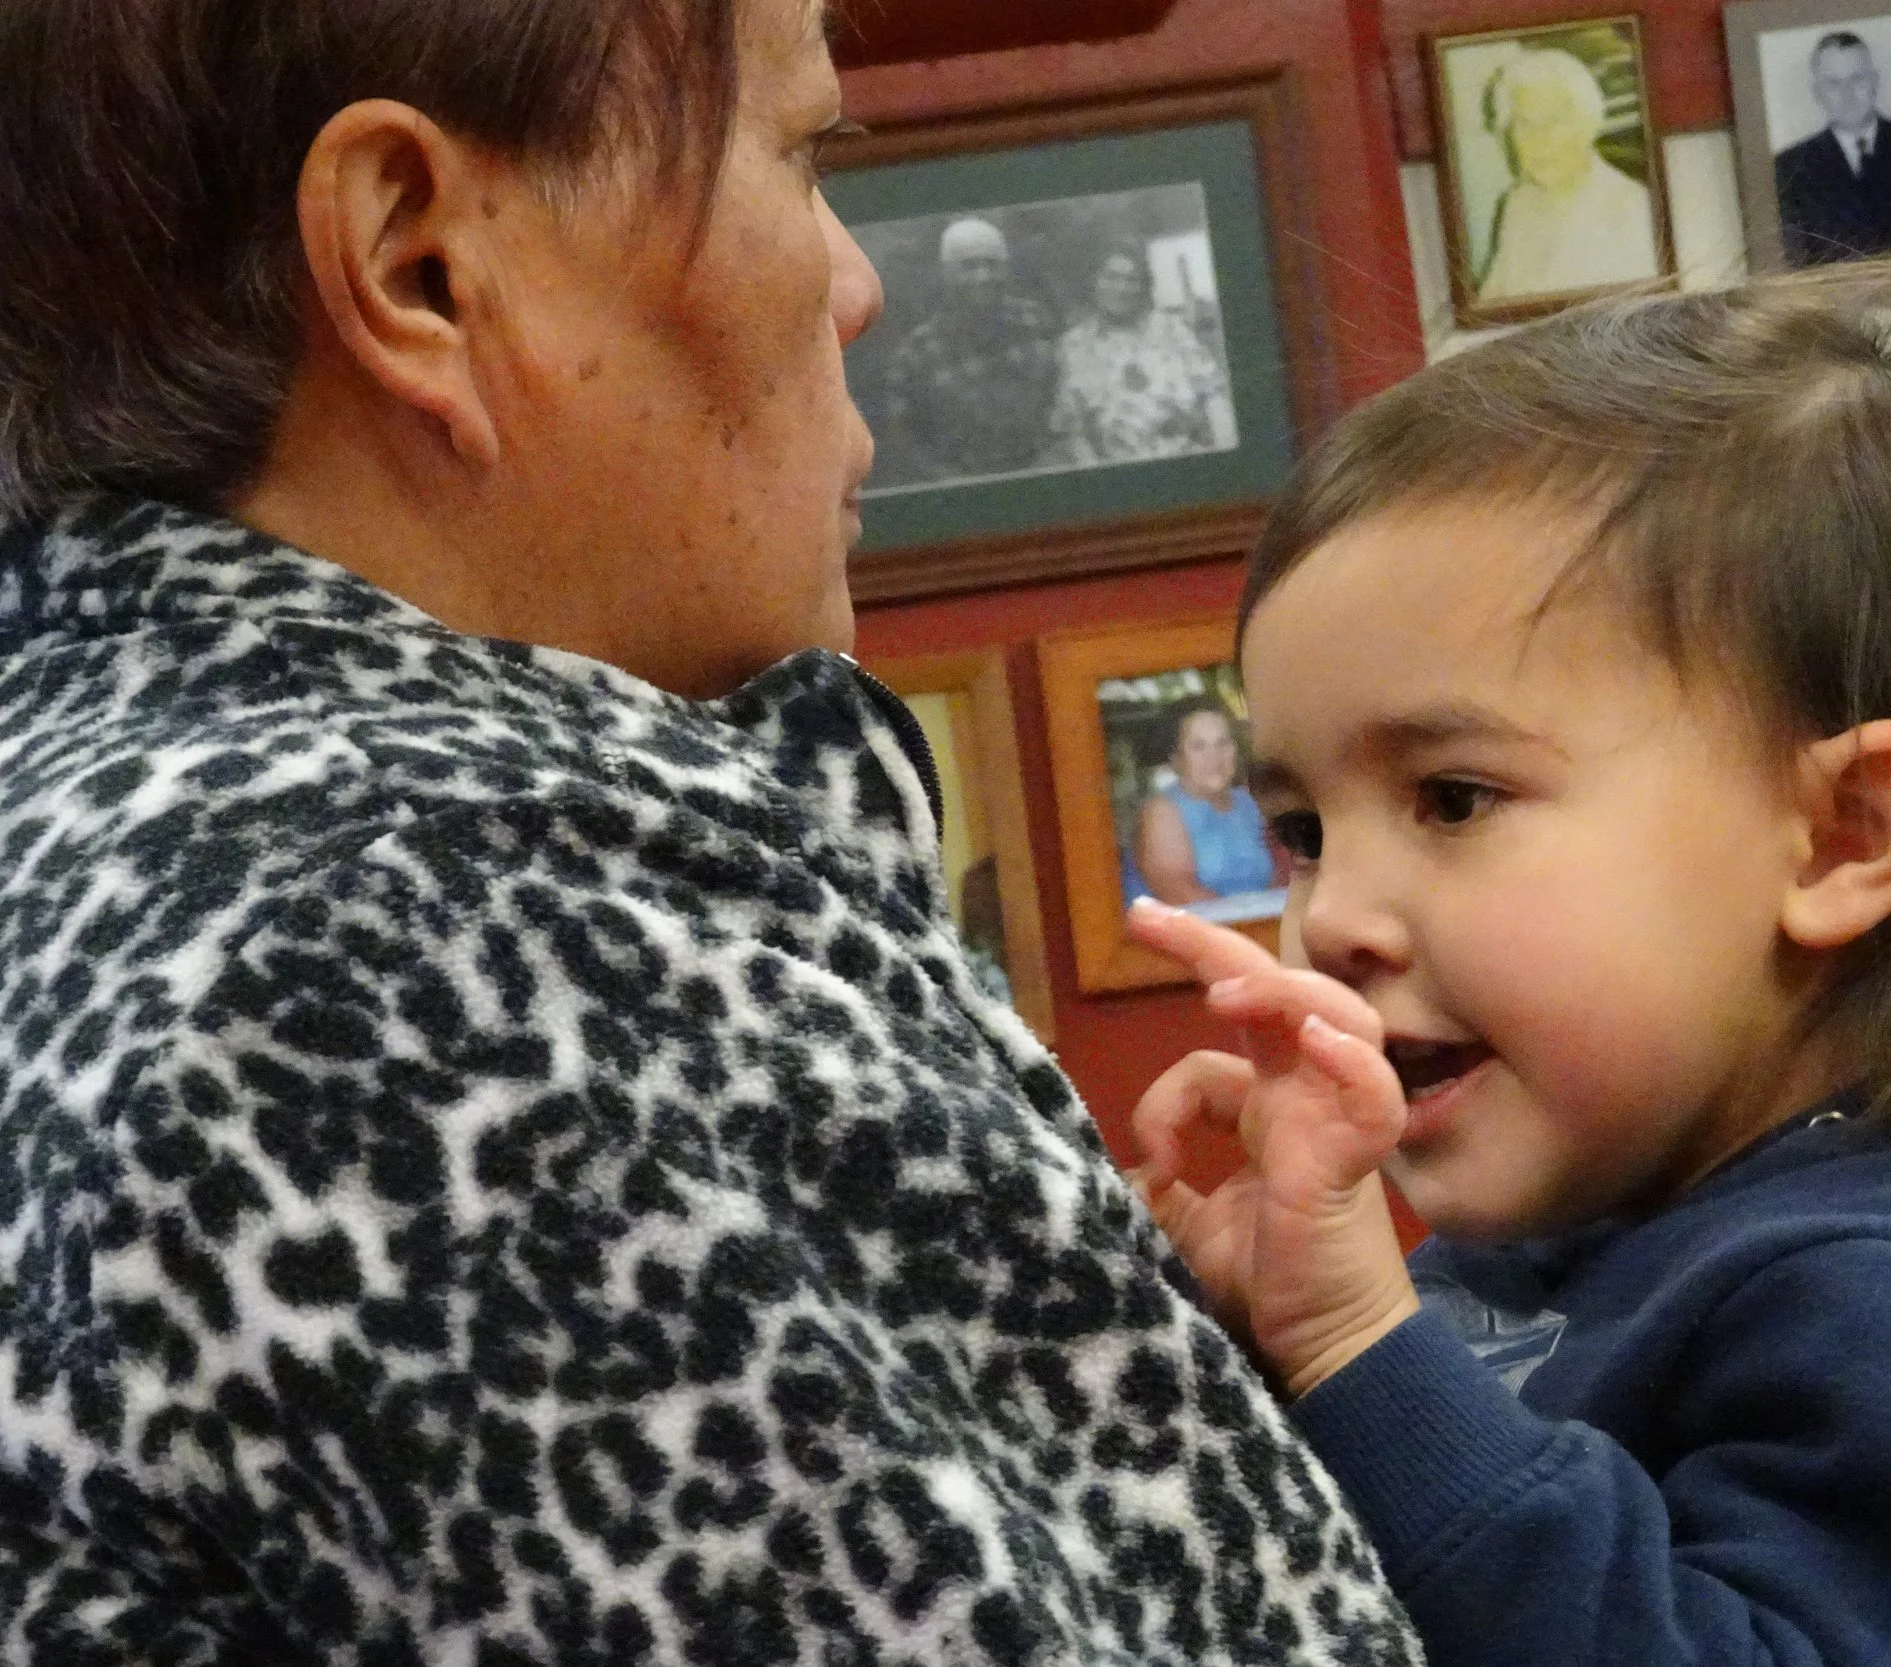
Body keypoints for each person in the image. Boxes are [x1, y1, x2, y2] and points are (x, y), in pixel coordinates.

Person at [0, 2, 1427, 1662]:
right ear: (417, 264)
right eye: (804, 153)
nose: (857, 279)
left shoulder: (117, 830)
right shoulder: (447, 951)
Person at [1121, 272, 1891, 1667]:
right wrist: (1263, 1359)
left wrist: (1354, 1345)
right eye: (1306, 830)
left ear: (1840, 837)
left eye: (1452, 796)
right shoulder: (1569, 1241)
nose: (1332, 918)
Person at [878, 215, 1065, 485]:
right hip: (961, 491)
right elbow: (905, 440)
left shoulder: (1037, 321)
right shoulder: (918, 351)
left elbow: (1064, 400)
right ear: (947, 274)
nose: (983, 277)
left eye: (992, 265)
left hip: (1042, 478)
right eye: (969, 266)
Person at [1476, 48, 1661, 304]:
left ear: (1587, 125)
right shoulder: (1517, 205)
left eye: (1554, 122)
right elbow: (1488, 306)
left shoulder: (1631, 209)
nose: (1538, 141)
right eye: (1524, 124)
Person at [1773, 32, 1891, 266]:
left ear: (1874, 82)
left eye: (1857, 79)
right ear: (1817, 92)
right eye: (1833, 83)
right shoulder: (1791, 166)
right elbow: (1794, 261)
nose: (1847, 94)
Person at [1049, 241, 1236, 464]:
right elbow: (1074, 433)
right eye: (1111, 277)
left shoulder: (1172, 330)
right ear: (1094, 281)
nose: (1121, 288)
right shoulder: (1073, 346)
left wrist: (1227, 453)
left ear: (1143, 286)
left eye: (1131, 280)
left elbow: (1214, 396)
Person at [1127, 698, 1280, 911]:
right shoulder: (1161, 812)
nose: (1214, 757)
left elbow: (1280, 878)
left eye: (1223, 743)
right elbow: (1179, 893)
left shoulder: (1251, 803)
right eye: (1198, 747)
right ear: (1175, 758)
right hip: (1197, 935)